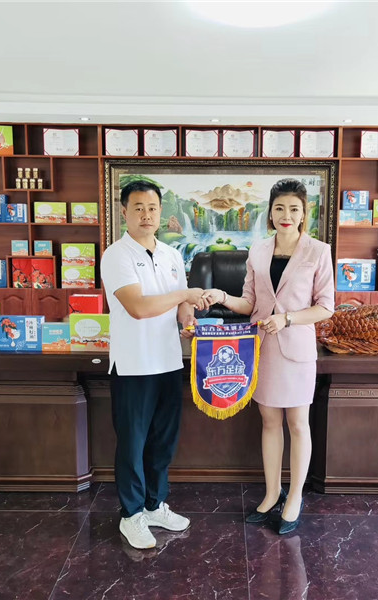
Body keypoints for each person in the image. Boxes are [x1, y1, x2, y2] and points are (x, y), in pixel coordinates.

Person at [202, 178, 334, 534]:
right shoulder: (258, 251)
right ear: (270, 213)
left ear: (304, 214)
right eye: (279, 208)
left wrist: (287, 318)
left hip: (297, 349)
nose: (286, 215)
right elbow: (250, 303)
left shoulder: (318, 251)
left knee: (298, 423)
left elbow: (325, 307)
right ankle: (273, 492)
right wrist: (222, 296)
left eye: (294, 208)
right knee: (270, 422)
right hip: (262, 349)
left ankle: (295, 497)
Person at [101, 180, 207, 549]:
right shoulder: (116, 255)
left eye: (152, 208)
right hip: (133, 365)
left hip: (168, 362)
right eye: (138, 208)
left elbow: (181, 307)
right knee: (133, 444)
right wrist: (184, 294)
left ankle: (154, 505)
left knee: (163, 440)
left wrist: (188, 319)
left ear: (161, 212)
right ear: (125, 212)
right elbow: (139, 307)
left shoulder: (172, 254)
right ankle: (131, 515)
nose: (146, 215)